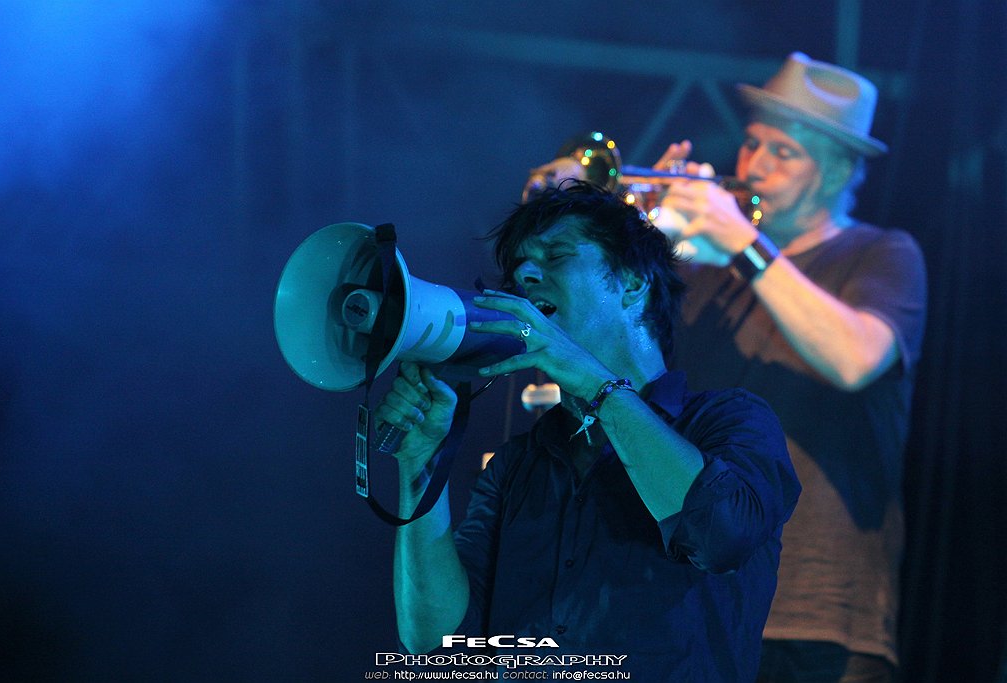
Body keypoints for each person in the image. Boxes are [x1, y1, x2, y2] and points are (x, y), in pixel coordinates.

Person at [375, 181, 800, 680]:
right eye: (519, 270)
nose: (527, 276)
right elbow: (437, 648)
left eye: (556, 256)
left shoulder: (730, 421)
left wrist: (596, 385)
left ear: (633, 283)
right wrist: (422, 464)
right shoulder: (517, 466)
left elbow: (720, 537)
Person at [656, 53, 928, 682]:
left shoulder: (881, 254)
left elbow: (855, 359)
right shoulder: (706, 266)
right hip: (697, 598)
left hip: (817, 614)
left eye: (785, 153)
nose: (755, 166)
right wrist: (643, 243)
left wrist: (745, 246)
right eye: (753, 143)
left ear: (837, 172)